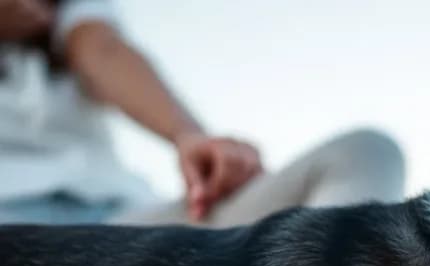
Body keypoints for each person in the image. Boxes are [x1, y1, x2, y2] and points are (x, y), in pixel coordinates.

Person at [0, 0, 406, 228]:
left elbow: (100, 49)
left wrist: (189, 137)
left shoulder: (69, 20)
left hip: (119, 229)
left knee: (366, 153)